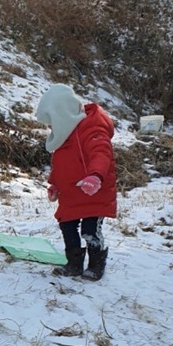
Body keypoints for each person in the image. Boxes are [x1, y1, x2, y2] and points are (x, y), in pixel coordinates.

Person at [35, 84, 117, 280]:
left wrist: (95, 176)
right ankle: (73, 264)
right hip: (71, 194)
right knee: (67, 227)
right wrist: (54, 184)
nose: (50, 128)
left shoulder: (92, 128)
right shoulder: (63, 136)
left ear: (62, 114)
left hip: (93, 192)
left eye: (51, 122)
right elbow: (61, 164)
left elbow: (101, 154)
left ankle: (97, 264)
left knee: (90, 230)